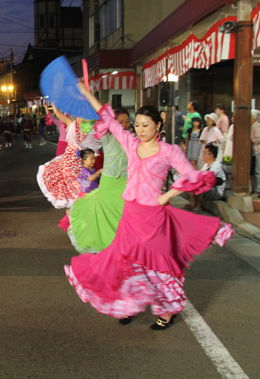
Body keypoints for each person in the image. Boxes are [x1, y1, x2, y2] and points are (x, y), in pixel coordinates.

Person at [65, 84, 233, 330]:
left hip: (154, 218)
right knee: (122, 261)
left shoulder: (169, 151)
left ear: (158, 126)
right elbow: (107, 117)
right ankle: (124, 305)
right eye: (137, 125)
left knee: (159, 264)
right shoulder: (131, 144)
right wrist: (87, 94)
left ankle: (167, 311)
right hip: (130, 215)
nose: (140, 130)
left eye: (146, 125)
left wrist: (167, 196)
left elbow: (191, 176)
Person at [66, 108, 130, 254]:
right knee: (105, 218)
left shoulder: (132, 138)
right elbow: (88, 132)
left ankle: (121, 248)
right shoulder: (106, 136)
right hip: (109, 182)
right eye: (120, 122)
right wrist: (84, 118)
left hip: (126, 183)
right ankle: (107, 248)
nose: (125, 125)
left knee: (122, 218)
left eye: (127, 122)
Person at [36, 107, 86, 209]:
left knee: (78, 185)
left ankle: (74, 209)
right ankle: (70, 209)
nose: (82, 118)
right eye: (80, 116)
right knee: (66, 178)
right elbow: (55, 115)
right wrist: (50, 106)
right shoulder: (70, 124)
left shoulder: (86, 129)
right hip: (66, 149)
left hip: (78, 157)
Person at [189, 144, 225, 210]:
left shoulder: (216, 166)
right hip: (210, 188)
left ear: (211, 155)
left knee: (200, 186)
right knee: (192, 184)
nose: (203, 155)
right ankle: (193, 205)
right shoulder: (206, 165)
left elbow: (207, 179)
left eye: (205, 153)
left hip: (216, 191)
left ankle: (197, 206)